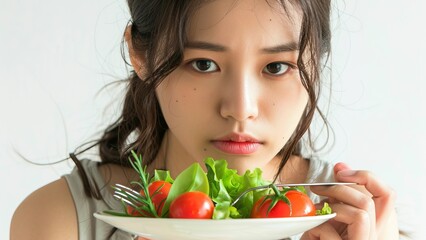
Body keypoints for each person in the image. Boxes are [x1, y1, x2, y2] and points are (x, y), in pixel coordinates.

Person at [10, 0, 400, 239]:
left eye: (278, 66)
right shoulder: (60, 220)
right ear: (139, 52)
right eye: (203, 63)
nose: (241, 108)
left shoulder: (355, 225)